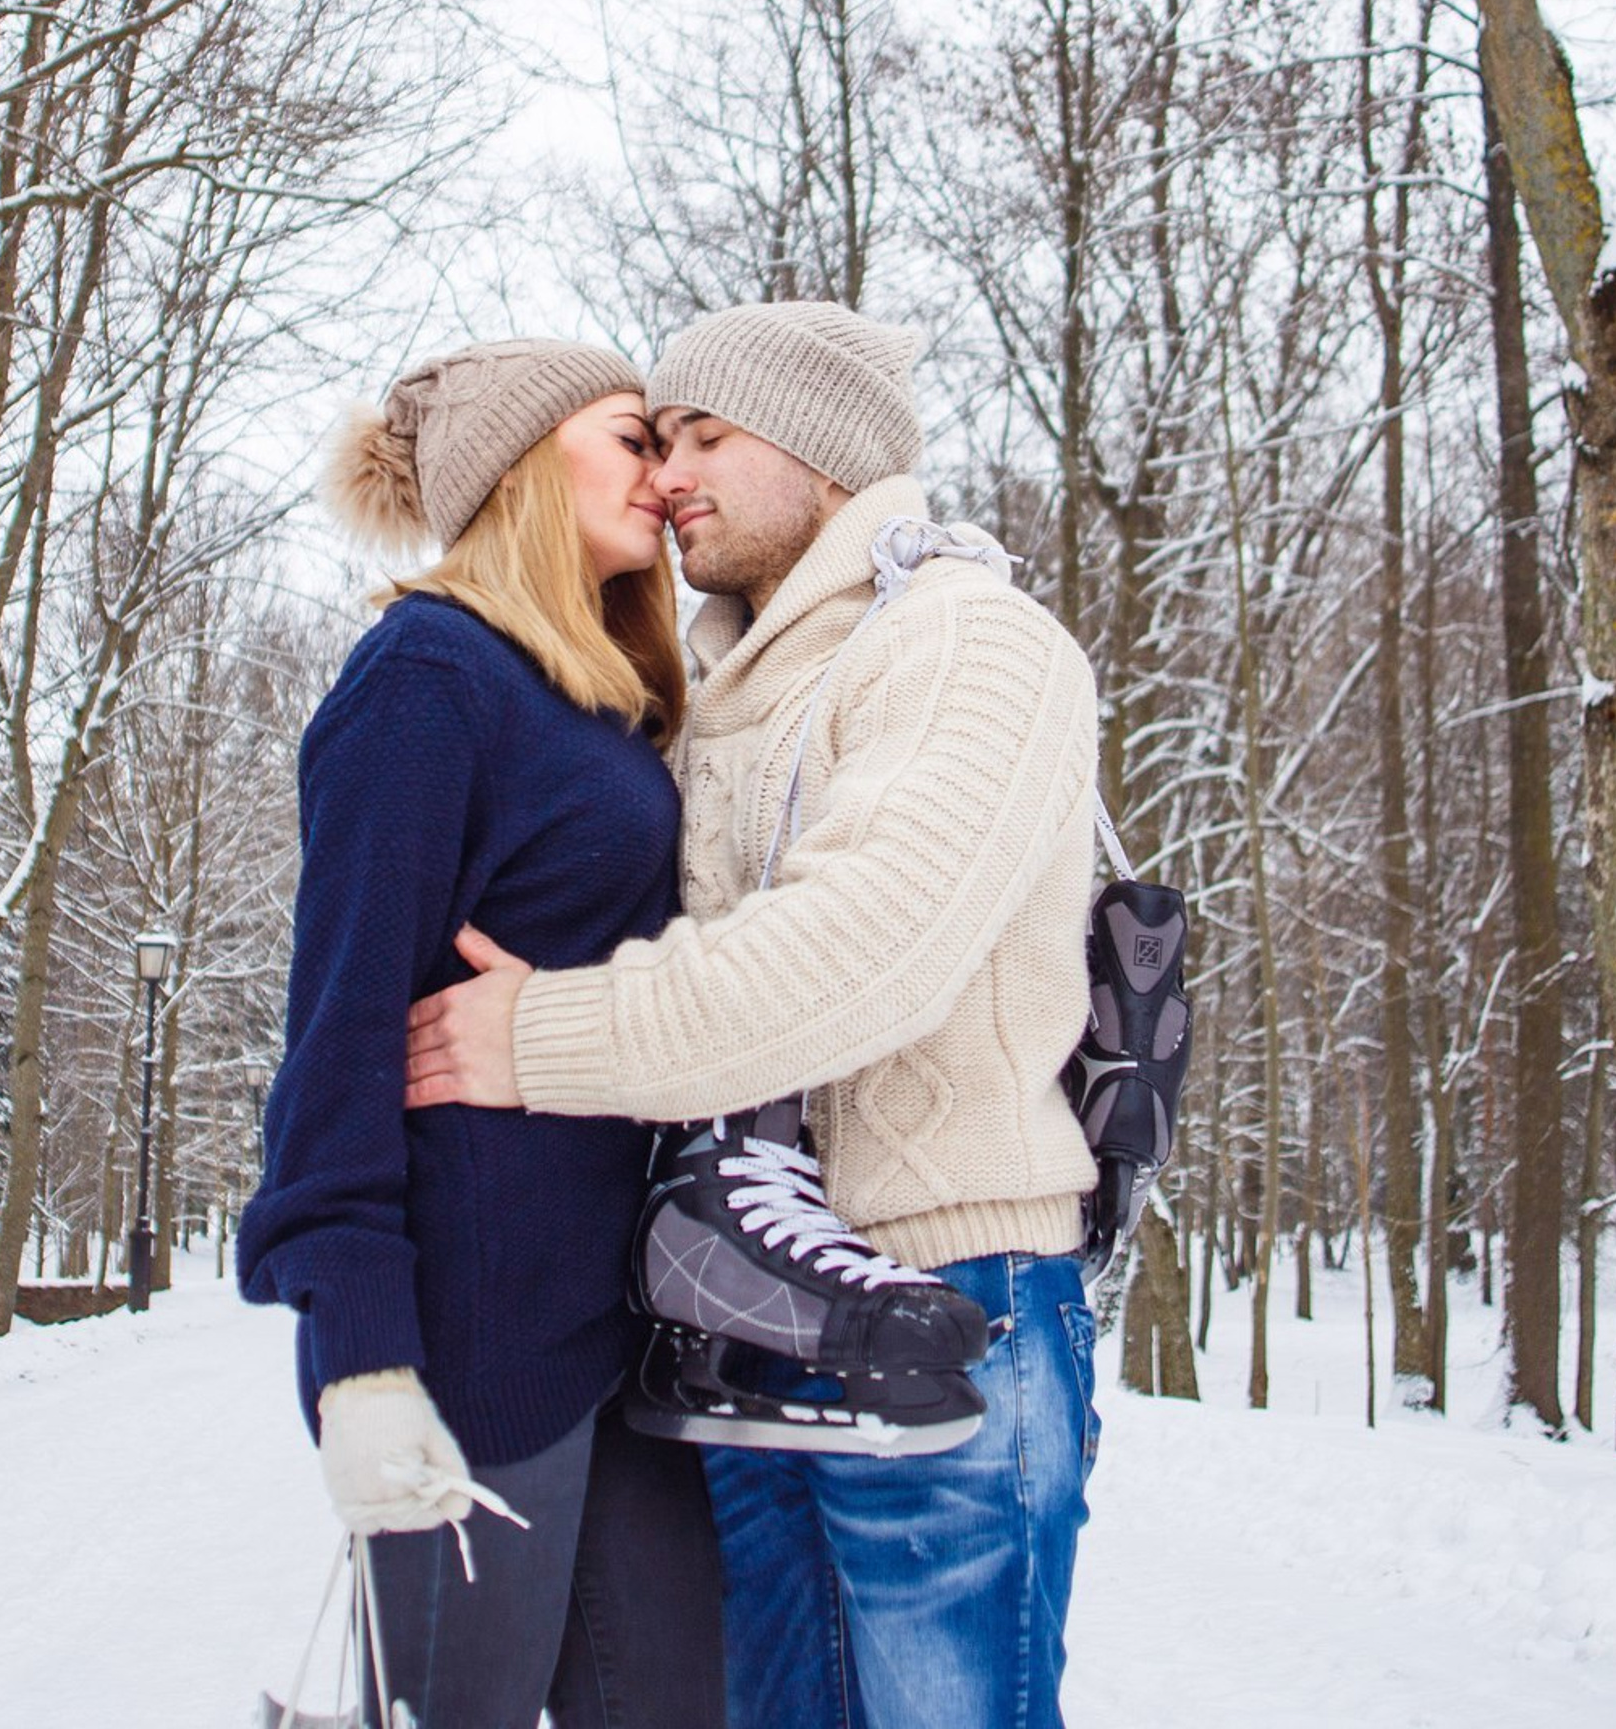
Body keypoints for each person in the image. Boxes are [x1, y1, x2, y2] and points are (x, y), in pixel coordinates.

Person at [405, 300, 1103, 1729]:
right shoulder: (722, 691)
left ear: (824, 453)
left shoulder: (972, 644)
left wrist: (542, 1039)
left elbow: (865, 952)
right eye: (655, 442)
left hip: (944, 1293)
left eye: (705, 437)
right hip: (745, 1314)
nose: (667, 477)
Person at [236, 338, 725, 1729]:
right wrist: (363, 1362)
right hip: (470, 1337)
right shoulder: (425, 676)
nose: (667, 471)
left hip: (619, 1322)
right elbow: (337, 1031)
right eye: (634, 436)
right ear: (524, 458)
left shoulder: (595, 701)